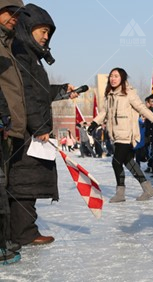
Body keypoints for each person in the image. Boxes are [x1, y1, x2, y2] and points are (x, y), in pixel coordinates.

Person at [7, 3, 80, 247]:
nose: (46, 36)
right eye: (43, 30)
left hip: (28, 128)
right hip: (27, 130)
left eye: (49, 32)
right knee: (25, 181)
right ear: (29, 28)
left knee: (27, 179)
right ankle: (24, 232)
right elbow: (27, 94)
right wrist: (40, 127)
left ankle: (16, 230)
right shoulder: (21, 53)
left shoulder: (30, 56)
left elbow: (38, 91)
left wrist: (60, 91)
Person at [89, 67, 153, 202]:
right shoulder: (110, 95)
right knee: (128, 162)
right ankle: (148, 189)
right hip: (115, 135)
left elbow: (141, 108)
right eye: (111, 76)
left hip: (127, 134)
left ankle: (120, 193)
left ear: (122, 78)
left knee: (116, 162)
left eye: (116, 76)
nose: (113, 78)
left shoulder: (129, 93)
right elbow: (104, 112)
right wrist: (94, 123)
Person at [0, 0, 26, 266]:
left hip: (8, 128)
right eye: (10, 12)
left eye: (19, 14)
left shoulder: (9, 45)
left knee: (4, 184)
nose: (15, 18)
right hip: (2, 125)